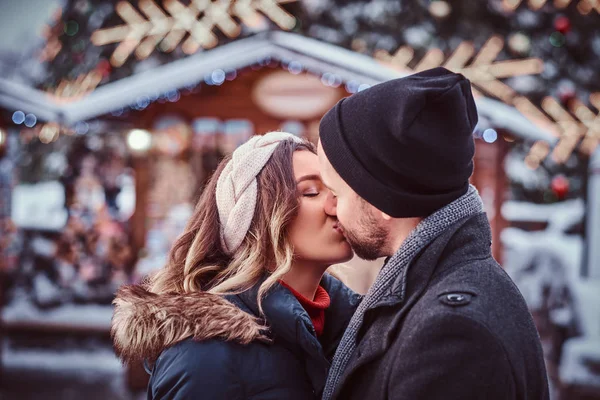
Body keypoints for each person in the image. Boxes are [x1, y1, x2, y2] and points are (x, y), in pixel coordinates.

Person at [317, 67, 550, 400]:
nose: (329, 207)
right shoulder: (439, 288)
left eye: (336, 192)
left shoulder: (452, 337)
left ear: (384, 199)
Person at [111, 132, 361, 400]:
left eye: (335, 190)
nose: (336, 205)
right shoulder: (204, 356)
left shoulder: (354, 324)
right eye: (311, 192)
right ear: (256, 221)